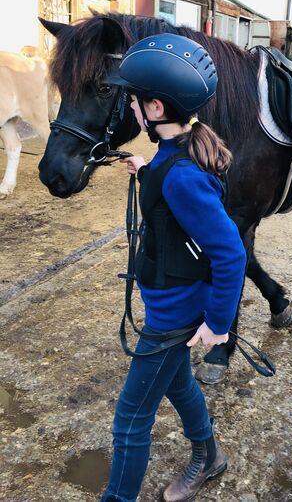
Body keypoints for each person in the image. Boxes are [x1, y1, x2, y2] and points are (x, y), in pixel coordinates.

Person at [100, 33, 247, 502]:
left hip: (172, 316)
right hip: (169, 301)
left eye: (136, 103)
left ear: (157, 110)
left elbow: (231, 253)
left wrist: (219, 325)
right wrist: (146, 170)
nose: (133, 111)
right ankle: (210, 455)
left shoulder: (183, 177)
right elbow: (171, 186)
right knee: (179, 385)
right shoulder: (171, 159)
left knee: (130, 423)